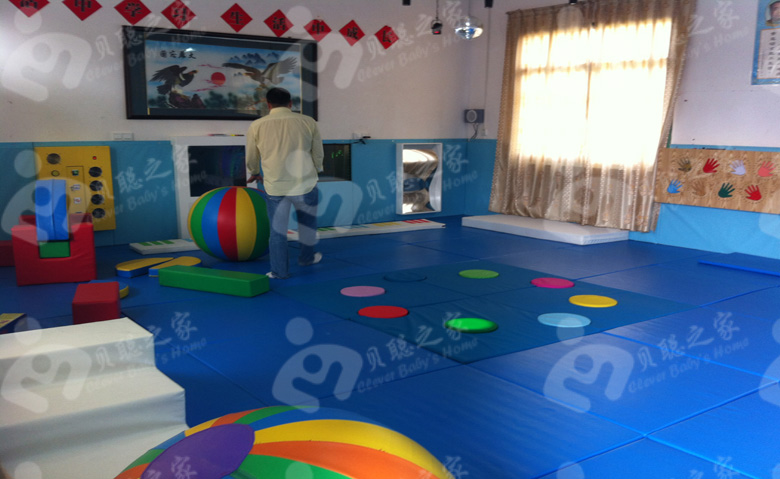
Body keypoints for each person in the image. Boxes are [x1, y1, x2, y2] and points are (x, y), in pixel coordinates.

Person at [246, 87, 324, 279]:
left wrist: (255, 172)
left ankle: (279, 271)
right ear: (290, 103)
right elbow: (317, 152)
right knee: (307, 225)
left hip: (276, 186)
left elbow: (252, 156)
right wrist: (317, 170)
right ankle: (307, 258)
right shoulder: (308, 122)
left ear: (268, 104)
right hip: (305, 184)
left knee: (277, 232)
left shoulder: (257, 125)